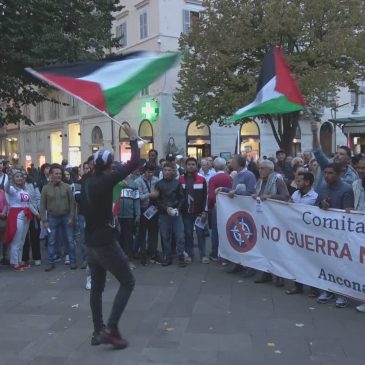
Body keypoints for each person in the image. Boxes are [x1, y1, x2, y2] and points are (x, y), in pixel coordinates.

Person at [80, 124, 139, 349]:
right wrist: (132, 138)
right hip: (104, 241)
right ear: (108, 166)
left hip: (90, 242)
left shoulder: (87, 181)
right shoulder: (105, 181)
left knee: (97, 288)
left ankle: (97, 331)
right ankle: (111, 329)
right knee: (128, 281)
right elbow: (134, 163)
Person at [316, 163, 354, 308]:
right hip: (326, 233)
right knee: (327, 262)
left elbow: (348, 212)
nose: (326, 175)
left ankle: (342, 294)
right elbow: (317, 205)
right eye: (325, 172)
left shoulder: (346, 189)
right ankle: (328, 290)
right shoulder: (323, 187)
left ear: (338, 174)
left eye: (330, 173)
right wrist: (322, 204)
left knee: (341, 264)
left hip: (340, 234)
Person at [253, 159, 290, 285]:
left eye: (263, 168)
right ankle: (266, 272)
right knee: (265, 246)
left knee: (276, 247)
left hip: (275, 219)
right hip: (262, 218)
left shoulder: (277, 180)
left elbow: (285, 197)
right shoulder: (259, 181)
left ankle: (279, 275)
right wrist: (255, 195)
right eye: (259, 168)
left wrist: (270, 197)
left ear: (270, 170)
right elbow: (258, 194)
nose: (260, 170)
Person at [285, 172, 319, 296]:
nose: (296, 183)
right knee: (297, 260)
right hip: (295, 232)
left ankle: (314, 288)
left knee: (311, 261)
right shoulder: (295, 193)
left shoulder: (315, 197)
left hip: (309, 234)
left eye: (299, 181)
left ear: (307, 182)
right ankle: (298, 285)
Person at [40, 163, 77, 271]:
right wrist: (44, 220)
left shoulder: (67, 187)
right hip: (52, 218)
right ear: (51, 175)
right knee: (51, 241)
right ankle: (50, 262)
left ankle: (73, 261)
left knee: (70, 240)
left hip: (66, 217)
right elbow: (42, 206)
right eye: (56, 173)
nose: (58, 175)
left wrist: (71, 217)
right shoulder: (45, 189)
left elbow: (72, 203)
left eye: (60, 174)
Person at [3, 169, 39, 272]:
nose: (19, 178)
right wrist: (9, 179)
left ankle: (19, 261)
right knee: (16, 240)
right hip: (16, 215)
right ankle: (14, 263)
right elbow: (6, 189)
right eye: (17, 177)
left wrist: (37, 214)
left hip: (26, 216)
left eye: (21, 177)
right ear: (13, 178)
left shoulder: (25, 190)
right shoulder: (12, 189)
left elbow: (29, 204)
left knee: (22, 241)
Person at [311, 121, 359, 188]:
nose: (337, 155)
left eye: (341, 154)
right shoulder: (327, 165)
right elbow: (317, 151)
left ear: (348, 160)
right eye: (337, 153)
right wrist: (314, 133)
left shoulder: (352, 175)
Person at [155, 162, 185, 267]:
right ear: (162, 171)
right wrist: (166, 208)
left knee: (180, 236)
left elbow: (182, 198)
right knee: (165, 236)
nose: (167, 172)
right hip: (164, 214)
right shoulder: (158, 184)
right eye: (165, 170)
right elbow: (157, 200)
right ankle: (168, 257)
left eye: (169, 170)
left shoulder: (177, 183)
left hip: (176, 213)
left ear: (173, 172)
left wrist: (178, 209)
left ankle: (181, 256)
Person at [179, 157, 209, 264]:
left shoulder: (202, 179)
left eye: (193, 164)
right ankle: (190, 254)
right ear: (185, 166)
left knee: (200, 234)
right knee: (188, 234)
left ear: (196, 166)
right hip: (185, 213)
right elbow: (179, 196)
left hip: (199, 213)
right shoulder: (181, 179)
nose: (191, 166)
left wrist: (205, 211)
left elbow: (206, 196)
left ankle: (203, 255)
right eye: (189, 164)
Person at [208, 157, 232, 261]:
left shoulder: (213, 179)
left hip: (216, 207)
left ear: (214, 166)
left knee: (215, 231)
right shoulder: (229, 178)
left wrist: (209, 206)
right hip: (229, 207)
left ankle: (215, 252)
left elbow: (211, 196)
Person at [135, 163, 160, 265]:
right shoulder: (138, 181)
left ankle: (153, 251)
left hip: (154, 209)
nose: (150, 174)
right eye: (148, 172)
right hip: (143, 208)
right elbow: (139, 197)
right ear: (144, 172)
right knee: (142, 233)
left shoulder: (156, 180)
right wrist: (149, 195)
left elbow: (159, 193)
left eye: (152, 172)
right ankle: (143, 253)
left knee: (153, 232)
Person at [352, 156, 365, 312]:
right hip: (358, 231)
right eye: (359, 168)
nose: (361, 171)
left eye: (364, 168)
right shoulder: (355, 184)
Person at [22, 172, 42, 266]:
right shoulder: (16, 187)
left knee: (35, 236)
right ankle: (24, 258)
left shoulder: (32, 183)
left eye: (24, 174)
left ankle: (37, 257)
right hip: (23, 213)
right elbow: (26, 203)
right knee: (24, 237)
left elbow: (38, 197)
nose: (23, 177)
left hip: (35, 214)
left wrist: (39, 210)